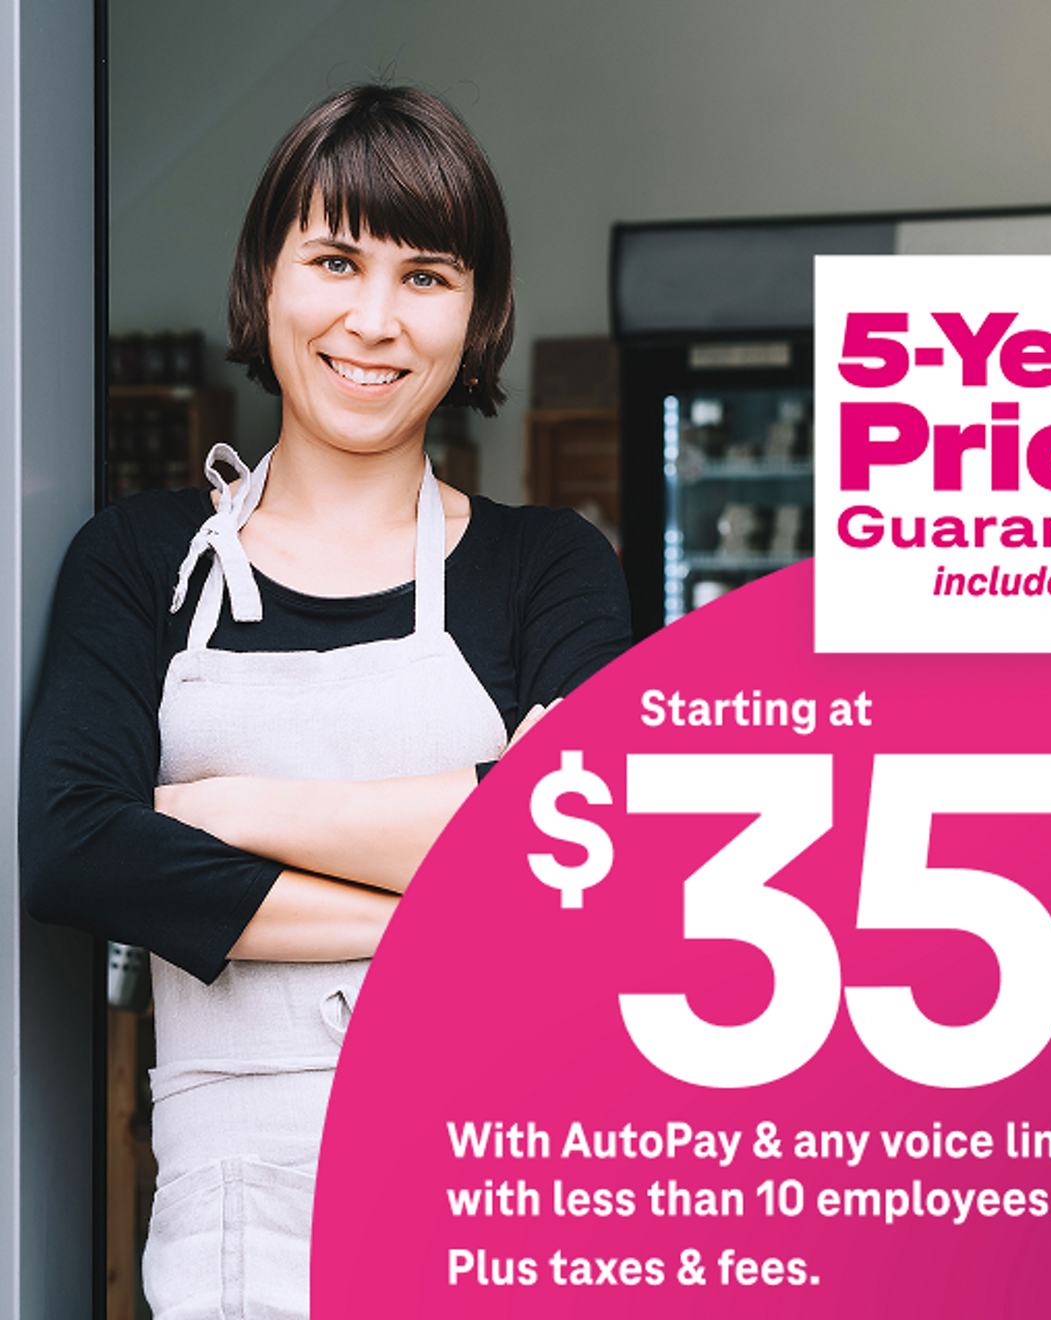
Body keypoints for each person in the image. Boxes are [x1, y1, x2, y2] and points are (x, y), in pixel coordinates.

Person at [20, 84, 630, 1318]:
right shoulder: (139, 561)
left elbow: (585, 848)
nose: (373, 319)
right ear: (264, 278)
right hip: (234, 1238)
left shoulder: (548, 567)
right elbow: (75, 849)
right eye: (336, 259)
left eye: (427, 275)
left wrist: (219, 810)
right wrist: (442, 917)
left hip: (499, 1203)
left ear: (481, 311)